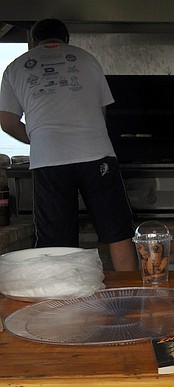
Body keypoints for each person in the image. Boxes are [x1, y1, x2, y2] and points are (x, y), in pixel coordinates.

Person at [0, 18, 136, 270]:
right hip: (97, 156)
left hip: (48, 160)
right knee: (117, 232)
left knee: (55, 242)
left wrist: (39, 139)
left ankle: (62, 304)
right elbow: (101, 113)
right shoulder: (87, 59)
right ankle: (133, 299)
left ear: (33, 42)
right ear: (67, 40)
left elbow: (7, 121)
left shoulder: (15, 67)